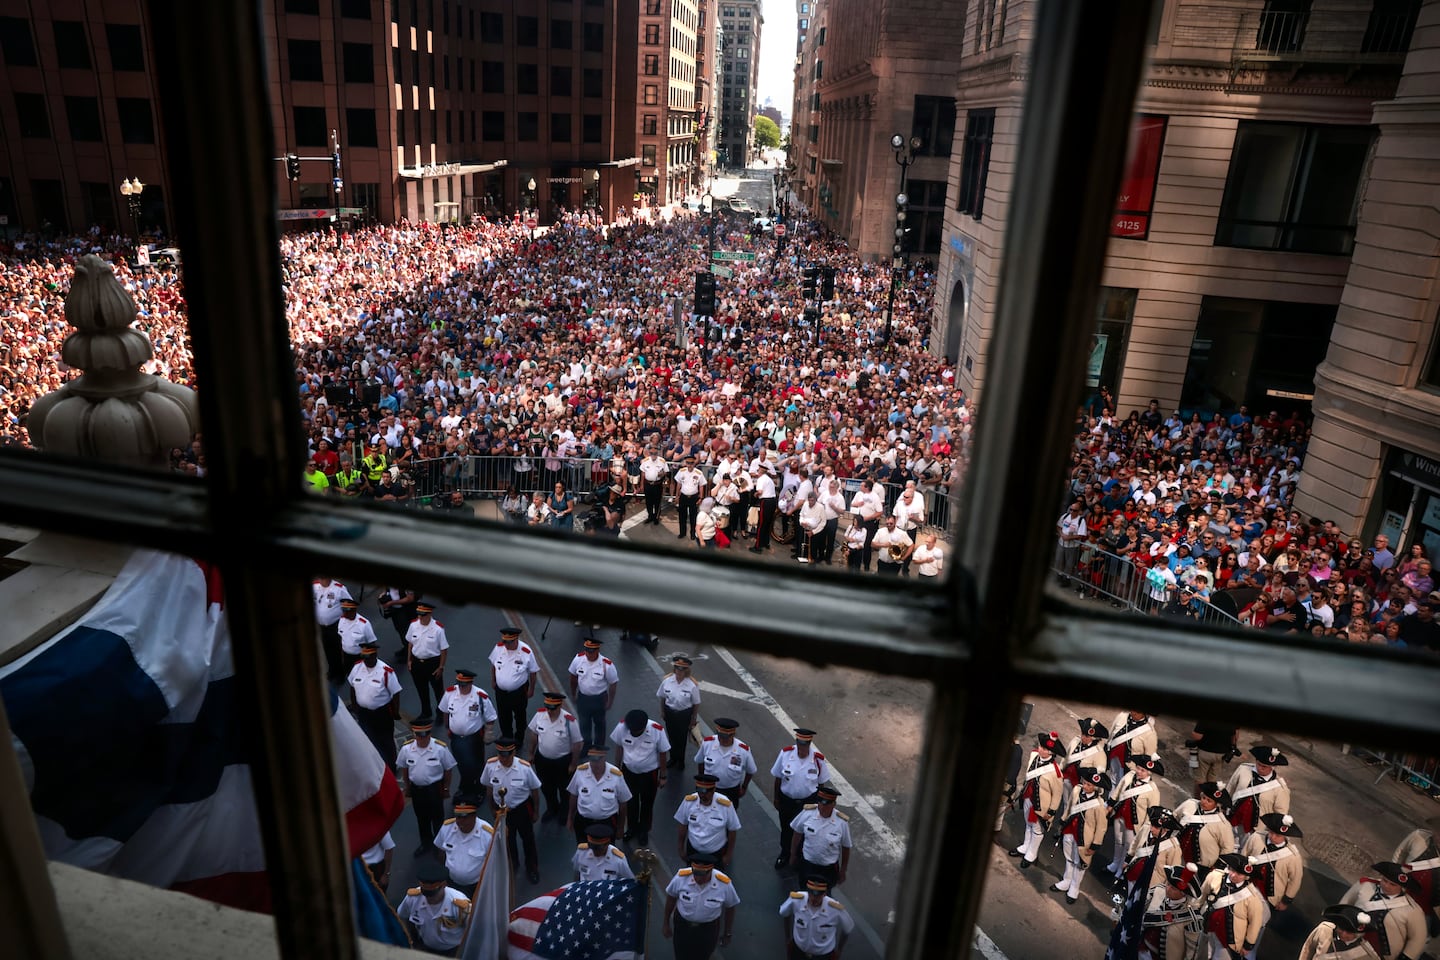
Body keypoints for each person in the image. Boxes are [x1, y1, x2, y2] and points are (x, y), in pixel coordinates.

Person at [478, 736, 543, 884]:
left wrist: (536, 811)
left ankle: (531, 867)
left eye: (506, 755)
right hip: (501, 811)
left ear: (513, 753)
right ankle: (513, 864)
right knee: (507, 840)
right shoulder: (490, 766)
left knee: (528, 839)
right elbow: (489, 788)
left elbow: (534, 791)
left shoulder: (524, 768)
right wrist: (492, 809)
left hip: (521, 809)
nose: (503, 759)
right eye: (500, 755)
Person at [1341, 862, 1429, 960]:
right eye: (1384, 880)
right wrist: (1340, 926)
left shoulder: (1413, 910)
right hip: (1350, 943)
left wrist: (1405, 957)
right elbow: (1343, 906)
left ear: (1402, 887)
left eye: (1392, 884)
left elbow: (1418, 938)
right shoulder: (1365, 885)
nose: (1386, 885)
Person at [396, 715, 457, 856]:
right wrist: (407, 786)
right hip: (417, 790)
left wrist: (446, 788)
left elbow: (448, 769)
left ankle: (440, 846)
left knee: (437, 818)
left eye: (425, 735)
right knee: (422, 819)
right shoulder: (407, 749)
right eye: (419, 736)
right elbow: (404, 767)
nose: (422, 739)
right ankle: (426, 844)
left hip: (434, 789)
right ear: (414, 734)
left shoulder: (440, 748)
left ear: (429, 734)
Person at [772, 728, 831, 869]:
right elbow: (778, 778)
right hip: (787, 800)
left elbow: (821, 783)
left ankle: (799, 856)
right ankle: (785, 854)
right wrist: (776, 798)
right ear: (796, 742)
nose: (802, 747)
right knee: (786, 829)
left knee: (804, 831)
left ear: (809, 743)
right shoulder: (785, 754)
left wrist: (819, 803)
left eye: (805, 744)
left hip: (807, 803)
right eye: (800, 743)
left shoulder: (818, 759)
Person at [663, 852, 739, 959]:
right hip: (683, 926)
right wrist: (666, 923)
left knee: (703, 956)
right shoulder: (681, 877)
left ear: (711, 871)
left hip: (707, 930)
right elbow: (671, 898)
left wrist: (727, 933)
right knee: (680, 954)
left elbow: (730, 907)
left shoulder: (723, 883)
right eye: (696, 874)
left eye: (702, 875)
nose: (698, 879)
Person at [612, 708, 671, 846]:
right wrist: (617, 769)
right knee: (630, 802)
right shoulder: (622, 727)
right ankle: (631, 828)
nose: (633, 733)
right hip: (628, 772)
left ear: (644, 727)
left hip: (649, 773)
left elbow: (662, 753)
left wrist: (663, 776)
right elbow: (619, 747)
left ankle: (643, 830)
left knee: (647, 803)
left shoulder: (657, 730)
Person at [525, 690, 584, 823]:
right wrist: (530, 753)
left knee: (564, 788)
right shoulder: (540, 715)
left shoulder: (569, 721)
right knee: (546, 787)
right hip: (543, 759)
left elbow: (577, 744)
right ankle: (552, 808)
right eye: (547, 708)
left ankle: (564, 810)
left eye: (553, 708)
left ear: (560, 706)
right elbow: (534, 735)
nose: (549, 711)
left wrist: (573, 764)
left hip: (562, 761)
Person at [436, 667, 496, 796]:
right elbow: (445, 711)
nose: (461, 688)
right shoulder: (450, 693)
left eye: (464, 685)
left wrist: (488, 732)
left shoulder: (480, 696)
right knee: (462, 764)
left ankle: (479, 790)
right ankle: (466, 786)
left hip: (474, 738)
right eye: (460, 685)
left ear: (470, 683)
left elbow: (491, 718)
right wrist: (448, 727)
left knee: (476, 765)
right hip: (456, 737)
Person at [1010, 731, 1064, 870]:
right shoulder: (1034, 755)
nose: (1041, 749)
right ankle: (1025, 846)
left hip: (1042, 807)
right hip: (1028, 797)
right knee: (1028, 824)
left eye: (1046, 749)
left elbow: (1057, 795)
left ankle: (1032, 854)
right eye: (1041, 746)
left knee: (1037, 830)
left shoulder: (1056, 772)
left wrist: (1051, 812)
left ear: (1052, 753)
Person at [1054, 766, 1109, 904]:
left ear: (1096, 787)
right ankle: (1067, 880)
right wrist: (1063, 819)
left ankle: (1074, 887)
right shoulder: (1077, 790)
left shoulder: (1099, 805)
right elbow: (1069, 807)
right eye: (1084, 782)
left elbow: (1101, 827)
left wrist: (1095, 845)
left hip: (1085, 839)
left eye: (1089, 784)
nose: (1085, 786)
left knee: (1080, 862)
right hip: (1070, 831)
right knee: (1069, 857)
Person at [1199, 852, 1266, 960]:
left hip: (1229, 941)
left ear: (1246, 876)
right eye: (1232, 870)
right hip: (1206, 928)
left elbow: (1255, 923)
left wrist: (1248, 945)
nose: (1233, 875)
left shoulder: (1253, 898)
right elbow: (1202, 896)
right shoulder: (1214, 876)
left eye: (1239, 874)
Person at [397, 858, 471, 955]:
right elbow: (401, 916)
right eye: (425, 893)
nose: (429, 898)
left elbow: (471, 929)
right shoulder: (414, 898)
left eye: (433, 893)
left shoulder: (459, 904)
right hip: (423, 946)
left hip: (451, 950)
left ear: (444, 885)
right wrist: (408, 939)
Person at [347, 638, 401, 768]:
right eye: (364, 657)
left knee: (386, 742)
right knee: (369, 740)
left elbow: (396, 693)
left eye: (369, 657)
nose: (366, 661)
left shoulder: (386, 672)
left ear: (375, 655)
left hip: (381, 713)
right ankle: (376, 766)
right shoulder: (357, 667)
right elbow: (352, 687)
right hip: (364, 713)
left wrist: (395, 712)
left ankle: (392, 767)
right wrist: (355, 707)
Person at [1226, 745, 1291, 850]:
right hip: (1232, 819)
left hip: (1255, 829)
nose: (1260, 768)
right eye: (1259, 764)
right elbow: (1230, 789)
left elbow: (1280, 814)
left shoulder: (1281, 788)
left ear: (1272, 767)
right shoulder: (1243, 769)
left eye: (1264, 766)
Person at [788, 784, 852, 888]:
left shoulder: (841, 822)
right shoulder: (808, 813)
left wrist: (843, 870)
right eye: (820, 802)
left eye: (826, 804)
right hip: (808, 864)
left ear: (833, 804)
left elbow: (846, 847)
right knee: (804, 890)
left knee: (824, 895)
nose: (822, 807)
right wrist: (793, 854)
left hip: (828, 868)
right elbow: (797, 834)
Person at [567, 745, 633, 845]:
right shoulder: (580, 772)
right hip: (584, 822)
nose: (595, 764)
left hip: (607, 823)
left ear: (604, 758)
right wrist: (570, 818)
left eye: (598, 760)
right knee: (584, 851)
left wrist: (620, 827)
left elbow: (623, 803)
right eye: (593, 761)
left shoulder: (616, 775)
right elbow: (574, 796)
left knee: (606, 852)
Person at [780, 875, 855, 960]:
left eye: (818, 895)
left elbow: (848, 928)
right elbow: (784, 913)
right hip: (798, 952)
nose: (813, 898)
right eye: (811, 894)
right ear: (807, 891)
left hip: (823, 956)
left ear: (825, 894)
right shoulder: (796, 900)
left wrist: (839, 950)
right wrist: (788, 939)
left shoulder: (835, 909)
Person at [1242, 813, 1304, 915]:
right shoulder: (1256, 838)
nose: (1273, 837)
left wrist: (1285, 901)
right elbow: (1244, 855)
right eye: (1271, 832)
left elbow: (1295, 880)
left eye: (1278, 835)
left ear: (1285, 836)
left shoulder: (1293, 857)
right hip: (1247, 886)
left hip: (1270, 898)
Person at [675, 773, 741, 869]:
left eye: (705, 792)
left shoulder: (725, 805)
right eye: (699, 791)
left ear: (713, 790)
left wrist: (728, 855)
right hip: (693, 851)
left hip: (716, 854)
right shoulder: (689, 802)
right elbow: (683, 825)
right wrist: (680, 848)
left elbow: (732, 830)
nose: (702, 795)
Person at [433, 795, 495, 896]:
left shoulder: (487, 834)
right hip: (451, 883)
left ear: (474, 816)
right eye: (458, 817)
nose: (460, 821)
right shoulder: (447, 827)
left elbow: (493, 863)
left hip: (476, 886)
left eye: (464, 817)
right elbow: (441, 852)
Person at [1140, 862, 1203, 960]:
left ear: (1183, 893)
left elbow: (1191, 953)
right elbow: (1137, 911)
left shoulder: (1192, 919)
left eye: (1173, 888)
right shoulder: (1157, 892)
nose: (1168, 889)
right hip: (1140, 949)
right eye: (1168, 884)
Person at [489, 625, 540, 740]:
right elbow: (493, 665)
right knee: (503, 715)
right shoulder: (499, 648)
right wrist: (493, 680)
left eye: (509, 642)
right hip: (501, 691)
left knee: (520, 715)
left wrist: (531, 689)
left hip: (518, 692)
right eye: (504, 641)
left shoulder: (526, 651)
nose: (506, 645)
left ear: (516, 639)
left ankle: (519, 737)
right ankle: (507, 735)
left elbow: (533, 672)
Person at [568, 636, 619, 751]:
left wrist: (610, 702)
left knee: (600, 724)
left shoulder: (607, 665)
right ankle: (586, 747)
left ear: (597, 650)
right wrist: (573, 694)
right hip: (583, 698)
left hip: (599, 699)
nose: (588, 654)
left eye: (591, 651)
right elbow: (573, 678)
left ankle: (599, 748)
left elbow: (613, 684)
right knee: (584, 724)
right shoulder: (578, 659)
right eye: (586, 650)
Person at [696, 717, 758, 805]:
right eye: (719, 735)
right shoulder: (708, 743)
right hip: (709, 788)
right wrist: (701, 780)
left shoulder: (743, 750)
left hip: (730, 791)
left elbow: (751, 771)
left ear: (732, 735)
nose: (721, 739)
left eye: (724, 737)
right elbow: (700, 761)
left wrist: (744, 787)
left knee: (729, 814)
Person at [1175, 782, 1236, 868]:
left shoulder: (1223, 824)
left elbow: (1228, 848)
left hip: (1202, 865)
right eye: (1203, 798)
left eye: (1209, 801)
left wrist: (1217, 866)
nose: (1204, 802)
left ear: (1216, 804)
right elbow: (1174, 817)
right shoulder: (1190, 804)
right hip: (1178, 857)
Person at [657, 655, 702, 772]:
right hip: (670, 713)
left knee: (681, 739)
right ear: (674, 669)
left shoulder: (692, 685)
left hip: (684, 715)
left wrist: (693, 718)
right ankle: (673, 758)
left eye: (682, 669)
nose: (679, 671)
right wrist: (662, 711)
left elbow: (696, 703)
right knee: (671, 736)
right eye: (677, 668)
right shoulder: (667, 681)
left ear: (687, 670)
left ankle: (680, 760)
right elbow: (662, 697)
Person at [405, 602, 449, 718]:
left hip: (432, 663)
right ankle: (426, 711)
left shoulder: (438, 629)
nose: (420, 617)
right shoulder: (413, 625)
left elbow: (444, 649)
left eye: (423, 615)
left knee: (438, 690)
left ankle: (440, 712)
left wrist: (441, 667)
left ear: (429, 614)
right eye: (419, 614)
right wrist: (409, 660)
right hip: (417, 662)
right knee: (421, 689)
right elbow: (410, 643)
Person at [1299, 904, 1383, 960]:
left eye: (1349, 932)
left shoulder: (1365, 952)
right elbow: (1308, 948)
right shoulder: (1324, 929)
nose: (1343, 934)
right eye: (1341, 929)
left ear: (1358, 934)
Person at [311, 576, 353, 685]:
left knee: (337, 649)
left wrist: (346, 621)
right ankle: (332, 671)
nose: (321, 579)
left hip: (335, 625)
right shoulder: (315, 586)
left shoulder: (339, 589)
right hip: (321, 626)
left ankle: (340, 674)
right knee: (327, 649)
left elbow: (350, 604)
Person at [1106, 709, 1158, 786]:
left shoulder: (1150, 733)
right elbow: (1111, 734)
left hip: (1130, 767)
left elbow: (1150, 758)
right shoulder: (1122, 716)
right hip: (1114, 758)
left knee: (1123, 787)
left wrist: (1144, 776)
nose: (1134, 712)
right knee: (1113, 781)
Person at [1187, 721, 1239, 794]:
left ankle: (1199, 799)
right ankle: (1209, 798)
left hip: (1205, 752)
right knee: (1212, 779)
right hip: (1221, 755)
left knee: (1200, 779)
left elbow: (1197, 736)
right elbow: (1235, 737)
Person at [1060, 717, 1109, 787]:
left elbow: (1099, 777)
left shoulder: (1100, 754)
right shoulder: (1075, 741)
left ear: (1094, 738)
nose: (1083, 737)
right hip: (1065, 777)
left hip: (1081, 785)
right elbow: (1065, 758)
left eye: (1086, 736)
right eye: (1082, 734)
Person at [335, 598, 378, 674]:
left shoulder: (364, 624)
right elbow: (342, 638)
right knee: (350, 675)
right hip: (346, 656)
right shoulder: (342, 620)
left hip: (360, 657)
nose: (345, 614)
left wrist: (372, 660)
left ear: (354, 611)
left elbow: (372, 643)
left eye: (347, 611)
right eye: (344, 611)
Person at [675, 454, 706, 540]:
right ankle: (682, 532)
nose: (690, 465)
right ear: (685, 462)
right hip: (683, 496)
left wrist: (701, 498)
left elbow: (701, 486)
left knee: (693, 517)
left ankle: (693, 533)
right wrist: (677, 496)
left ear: (694, 463)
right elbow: (678, 484)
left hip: (693, 497)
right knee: (682, 516)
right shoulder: (681, 471)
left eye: (691, 463)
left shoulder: (699, 473)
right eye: (688, 463)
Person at [641, 446, 670, 525]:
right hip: (648, 484)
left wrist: (662, 473)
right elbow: (643, 474)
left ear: (658, 453)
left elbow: (666, 472)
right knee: (648, 501)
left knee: (657, 502)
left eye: (655, 453)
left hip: (657, 484)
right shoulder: (645, 461)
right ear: (649, 453)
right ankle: (650, 516)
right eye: (651, 453)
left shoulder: (662, 461)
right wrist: (642, 485)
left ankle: (656, 517)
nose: (653, 455)